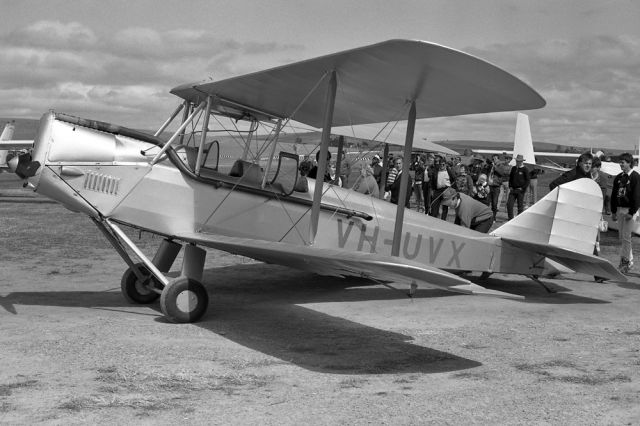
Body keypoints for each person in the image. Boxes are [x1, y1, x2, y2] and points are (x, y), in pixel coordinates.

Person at [611, 152, 640, 274]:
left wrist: (632, 212)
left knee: (627, 237)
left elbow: (637, 196)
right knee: (622, 237)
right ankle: (629, 262)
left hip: (630, 211)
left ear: (629, 163)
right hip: (620, 209)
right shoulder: (618, 177)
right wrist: (613, 211)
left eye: (622, 162)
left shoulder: (635, 177)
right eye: (620, 162)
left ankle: (625, 263)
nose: (620, 164)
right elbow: (613, 195)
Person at [429, 156, 456, 220]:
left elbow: (454, 179)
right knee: (434, 205)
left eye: (443, 164)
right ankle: (433, 218)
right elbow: (432, 181)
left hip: (446, 190)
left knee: (445, 207)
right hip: (437, 190)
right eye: (440, 164)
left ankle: (443, 220)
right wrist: (432, 190)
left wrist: (452, 189)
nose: (442, 166)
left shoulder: (449, 171)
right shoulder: (436, 171)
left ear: (446, 164)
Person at [507, 154, 530, 219]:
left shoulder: (525, 169)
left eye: (519, 161)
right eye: (517, 161)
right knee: (509, 204)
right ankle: (510, 218)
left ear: (522, 161)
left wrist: (522, 188)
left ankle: (519, 219)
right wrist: (510, 186)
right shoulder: (514, 168)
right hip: (513, 189)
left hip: (520, 190)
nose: (518, 162)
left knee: (520, 206)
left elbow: (527, 180)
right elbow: (510, 178)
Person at [487, 154, 508, 222]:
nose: (494, 160)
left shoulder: (501, 166)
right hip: (489, 185)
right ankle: (487, 216)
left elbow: (501, 173)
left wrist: (494, 167)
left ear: (498, 159)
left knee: (494, 203)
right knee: (487, 202)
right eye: (493, 159)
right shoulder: (491, 166)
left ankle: (493, 217)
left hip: (496, 186)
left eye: (495, 159)